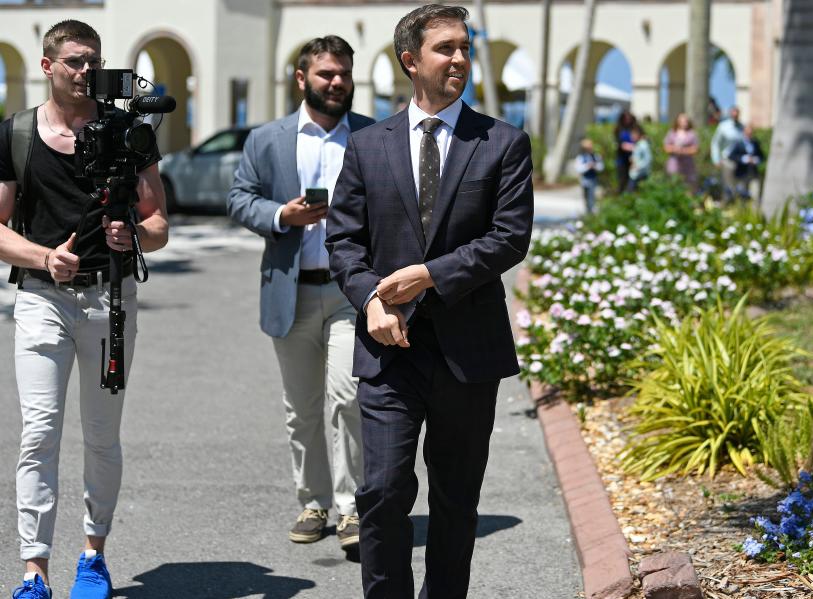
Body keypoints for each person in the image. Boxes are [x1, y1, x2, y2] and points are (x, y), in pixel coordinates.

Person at [324, 4, 534, 598]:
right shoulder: (368, 146)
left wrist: (429, 275)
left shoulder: (503, 143)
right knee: (382, 492)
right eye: (446, 48)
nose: (461, 59)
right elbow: (343, 239)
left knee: (455, 501)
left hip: (469, 354)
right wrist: (369, 300)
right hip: (390, 350)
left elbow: (508, 238)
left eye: (465, 48)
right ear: (410, 59)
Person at [0, 20, 168, 599]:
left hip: (109, 299)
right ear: (47, 66)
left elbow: (160, 223)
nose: (85, 70)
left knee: (101, 437)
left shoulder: (128, 131)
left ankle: (93, 556)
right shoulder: (16, 134)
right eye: (74, 61)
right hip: (43, 299)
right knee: (38, 433)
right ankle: (33, 572)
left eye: (93, 60)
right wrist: (46, 258)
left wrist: (135, 237)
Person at [227, 36, 374, 553]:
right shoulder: (267, 139)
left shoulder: (371, 136)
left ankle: (353, 507)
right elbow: (239, 199)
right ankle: (313, 503)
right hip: (289, 291)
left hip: (349, 293)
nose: (336, 83)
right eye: (326, 74)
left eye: (343, 74)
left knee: (349, 397)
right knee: (302, 408)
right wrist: (280, 215)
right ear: (301, 78)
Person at [710, 105, 744, 201]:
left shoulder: (742, 127)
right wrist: (716, 159)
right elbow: (715, 143)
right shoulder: (723, 126)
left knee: (739, 187)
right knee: (728, 186)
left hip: (740, 162)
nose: (735, 115)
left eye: (737, 113)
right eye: (733, 112)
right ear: (730, 113)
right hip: (727, 160)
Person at [727, 123, 764, 202]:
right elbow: (731, 155)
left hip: (753, 173)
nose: (749, 134)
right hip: (742, 174)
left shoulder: (755, 143)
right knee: (742, 196)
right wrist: (744, 159)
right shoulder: (738, 143)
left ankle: (754, 213)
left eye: (750, 133)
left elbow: (762, 156)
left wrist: (756, 160)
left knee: (755, 195)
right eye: (747, 132)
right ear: (744, 132)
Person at [664, 112, 699, 193]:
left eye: (686, 121)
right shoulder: (672, 132)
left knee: (688, 186)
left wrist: (682, 150)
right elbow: (666, 147)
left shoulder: (692, 134)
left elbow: (695, 149)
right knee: (673, 184)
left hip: (687, 164)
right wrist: (674, 149)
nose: (684, 122)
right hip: (674, 163)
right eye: (682, 121)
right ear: (678, 122)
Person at [574, 138, 603, 214]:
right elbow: (578, 168)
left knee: (591, 197)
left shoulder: (596, 156)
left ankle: (591, 212)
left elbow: (601, 167)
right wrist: (587, 166)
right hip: (584, 179)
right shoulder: (581, 157)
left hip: (593, 179)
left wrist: (594, 166)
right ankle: (588, 211)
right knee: (586, 197)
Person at [613, 110, 636, 194]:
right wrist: (628, 146)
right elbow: (619, 144)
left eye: (629, 118)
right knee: (622, 181)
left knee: (633, 182)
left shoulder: (635, 128)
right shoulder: (619, 129)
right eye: (625, 118)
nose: (627, 120)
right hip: (622, 160)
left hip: (634, 160)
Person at [627, 124, 652, 191]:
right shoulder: (638, 144)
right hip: (636, 174)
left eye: (632, 134)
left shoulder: (643, 145)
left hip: (639, 174)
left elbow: (648, 159)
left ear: (638, 134)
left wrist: (638, 166)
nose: (631, 136)